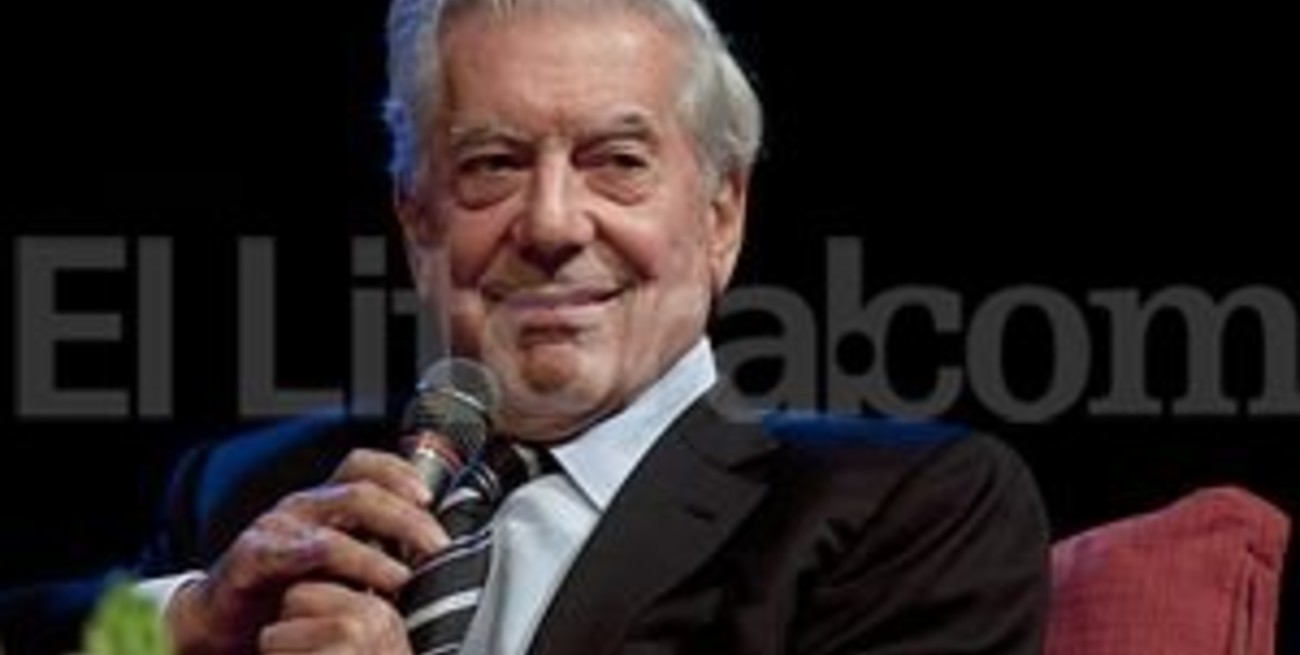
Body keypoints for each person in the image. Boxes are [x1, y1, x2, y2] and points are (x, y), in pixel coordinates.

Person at [0, 0, 1050, 653]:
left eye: (616, 161)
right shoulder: (252, 489)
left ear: (721, 214)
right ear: (418, 219)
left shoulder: (902, 506)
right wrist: (190, 620)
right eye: (492, 164)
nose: (550, 224)